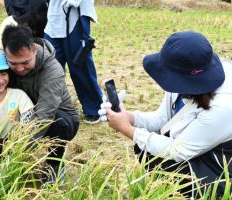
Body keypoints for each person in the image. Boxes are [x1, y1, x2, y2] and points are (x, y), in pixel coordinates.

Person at [99, 31, 232, 197]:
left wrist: (127, 130)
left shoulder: (224, 106)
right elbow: (162, 119)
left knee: (160, 159)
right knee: (148, 152)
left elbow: (179, 150)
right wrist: (129, 117)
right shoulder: (181, 79)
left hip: (221, 161)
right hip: (196, 144)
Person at [0, 25, 79, 182]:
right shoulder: (6, 62)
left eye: (25, 62)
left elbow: (44, 116)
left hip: (54, 118)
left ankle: (54, 165)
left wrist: (15, 152)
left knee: (58, 122)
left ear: (34, 50)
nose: (19, 68)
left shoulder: (53, 71)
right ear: (5, 53)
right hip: (17, 120)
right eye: (13, 64)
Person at [44, 0, 103, 124]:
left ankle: (94, 108)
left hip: (75, 16)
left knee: (80, 65)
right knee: (50, 67)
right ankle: (53, 108)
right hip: (53, 17)